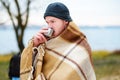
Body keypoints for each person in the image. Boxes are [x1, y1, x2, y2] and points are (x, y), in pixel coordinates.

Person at [20, 2, 96, 80]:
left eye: (53, 21)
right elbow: (32, 70)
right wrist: (35, 45)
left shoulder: (81, 45)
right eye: (47, 22)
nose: (50, 26)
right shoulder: (44, 44)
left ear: (65, 21)